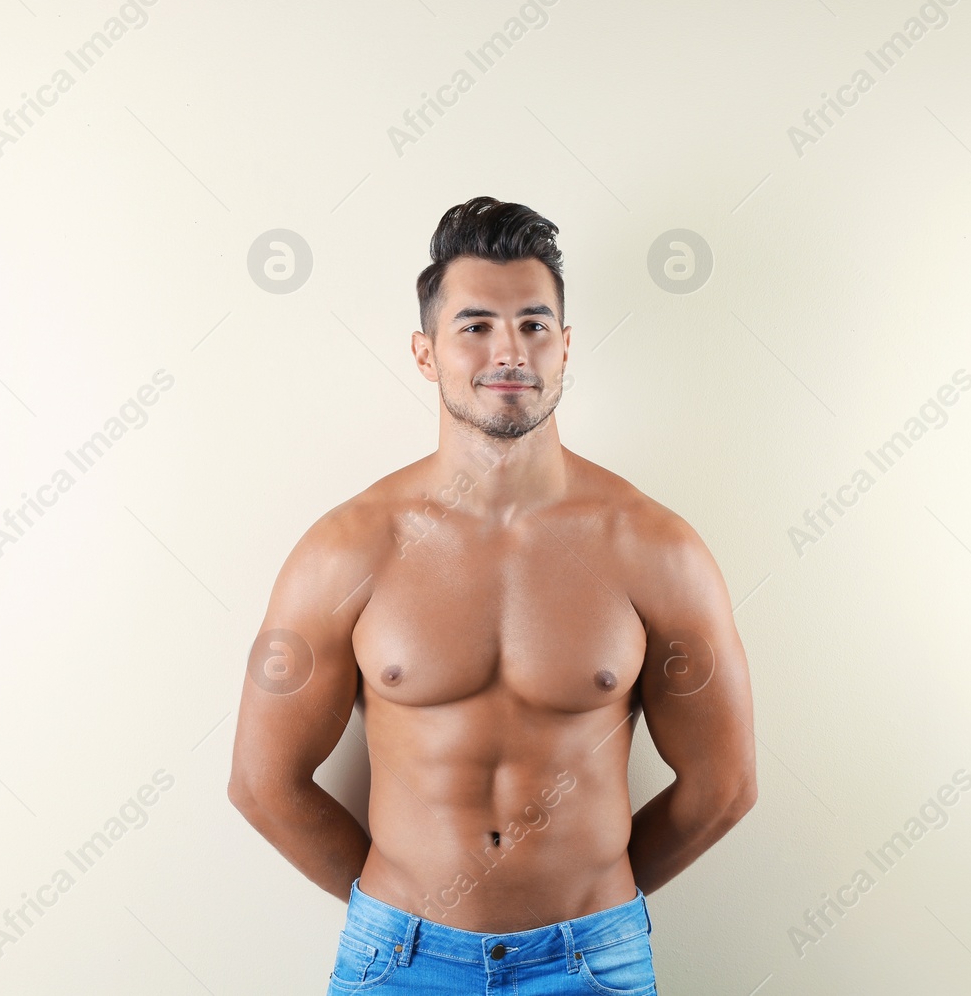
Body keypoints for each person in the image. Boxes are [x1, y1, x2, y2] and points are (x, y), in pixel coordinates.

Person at [228, 197, 757, 994]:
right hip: (396, 962)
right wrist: (402, 916)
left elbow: (725, 785)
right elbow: (262, 783)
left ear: (566, 346)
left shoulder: (656, 549)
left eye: (534, 325)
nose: (508, 349)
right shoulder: (347, 550)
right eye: (475, 324)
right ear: (425, 351)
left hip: (594, 961)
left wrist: (590, 904)